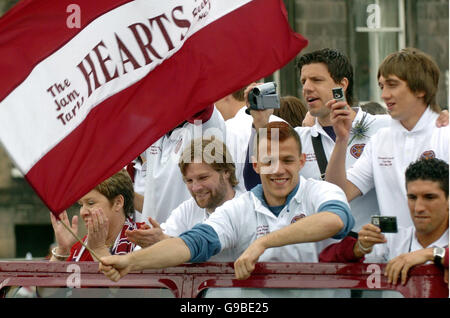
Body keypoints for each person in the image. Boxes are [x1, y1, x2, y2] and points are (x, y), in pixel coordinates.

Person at [99, 121, 354, 282]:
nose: (278, 169)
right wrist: (129, 262)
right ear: (255, 165)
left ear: (301, 162)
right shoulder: (238, 209)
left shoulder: (320, 192)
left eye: (287, 160)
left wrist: (262, 243)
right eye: (268, 162)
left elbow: (336, 220)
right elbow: (193, 243)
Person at [325, 48, 449, 229]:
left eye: (392, 85)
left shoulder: (445, 134)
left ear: (420, 89)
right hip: (392, 256)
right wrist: (341, 140)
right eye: (382, 86)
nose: (384, 95)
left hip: (438, 255)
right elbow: (338, 192)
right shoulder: (380, 140)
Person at [320, 158, 449, 285]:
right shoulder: (391, 240)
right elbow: (324, 262)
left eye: (430, 197)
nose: (418, 208)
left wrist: (431, 254)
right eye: (412, 197)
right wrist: (359, 248)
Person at [125, 137, 244, 262]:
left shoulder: (245, 207)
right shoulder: (188, 209)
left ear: (226, 172)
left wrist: (162, 243)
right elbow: (143, 251)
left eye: (203, 178)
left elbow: (204, 242)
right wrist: (149, 242)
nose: (196, 188)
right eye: (189, 181)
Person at [135, 104, 226, 224]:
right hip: (151, 238)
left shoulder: (203, 126)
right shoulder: (154, 129)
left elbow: (199, 93)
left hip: (187, 238)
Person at [49, 170, 139, 262]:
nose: (83, 212)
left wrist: (98, 249)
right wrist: (63, 250)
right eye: (81, 204)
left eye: (91, 203)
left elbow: (118, 276)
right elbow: (49, 276)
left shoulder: (144, 239)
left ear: (118, 203)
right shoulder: (81, 247)